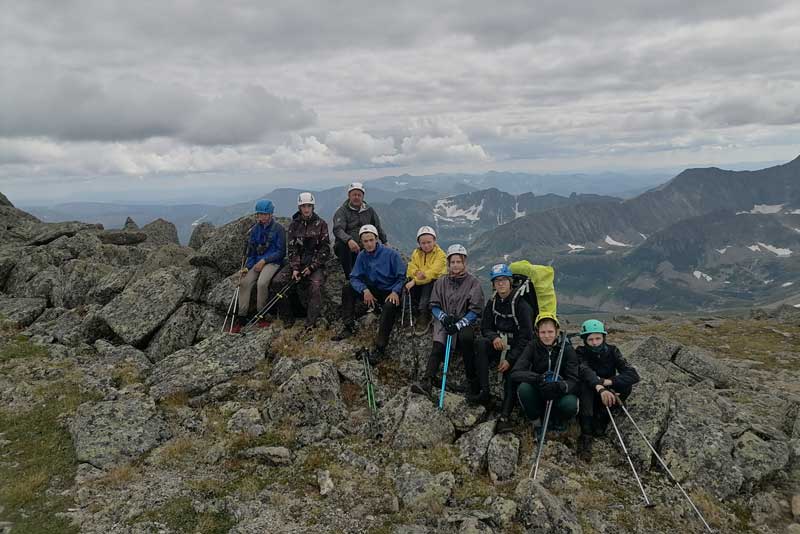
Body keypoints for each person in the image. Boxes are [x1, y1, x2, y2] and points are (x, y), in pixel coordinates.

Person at [411, 244, 484, 399]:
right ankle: (427, 380)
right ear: (448, 264)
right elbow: (434, 305)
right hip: (444, 319)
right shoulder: (441, 282)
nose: (456, 265)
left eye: (459, 262)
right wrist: (443, 318)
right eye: (453, 262)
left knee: (466, 339)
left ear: (464, 263)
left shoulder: (473, 282)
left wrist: (459, 324)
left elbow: (475, 310)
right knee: (438, 346)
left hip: (463, 320)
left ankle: (472, 380)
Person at [332, 224, 406, 365]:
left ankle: (380, 347)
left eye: (371, 240)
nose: (369, 244)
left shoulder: (391, 255)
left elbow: (402, 277)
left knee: (389, 307)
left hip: (390, 290)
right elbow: (354, 277)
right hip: (373, 290)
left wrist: (396, 292)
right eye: (365, 241)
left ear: (377, 239)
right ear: (361, 242)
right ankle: (349, 326)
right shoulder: (362, 256)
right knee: (348, 288)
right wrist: (364, 290)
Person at [476, 264, 534, 426]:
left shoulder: (522, 305)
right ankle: (484, 391)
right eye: (497, 281)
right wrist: (493, 337)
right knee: (480, 344)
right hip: (499, 343)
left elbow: (527, 337)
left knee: (512, 374)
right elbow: (485, 327)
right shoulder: (493, 302)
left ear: (510, 282)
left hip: (518, 347)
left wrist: (510, 359)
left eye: (504, 280)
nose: (500, 284)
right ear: (493, 284)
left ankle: (505, 415)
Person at [576, 319, 640, 461]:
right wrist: (599, 386)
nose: (594, 342)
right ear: (584, 340)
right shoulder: (580, 352)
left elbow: (633, 374)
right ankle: (586, 433)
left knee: (626, 385)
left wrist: (609, 382)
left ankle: (602, 418)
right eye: (590, 339)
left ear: (603, 338)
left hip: (608, 388)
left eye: (598, 338)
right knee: (585, 385)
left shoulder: (613, 351)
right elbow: (584, 371)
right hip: (591, 392)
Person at [509, 312, 579, 436]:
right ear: (537, 333)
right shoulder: (532, 346)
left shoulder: (567, 349)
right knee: (524, 389)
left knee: (570, 404)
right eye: (543, 332)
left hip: (559, 392)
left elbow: (573, 379)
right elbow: (516, 373)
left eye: (550, 332)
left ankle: (558, 420)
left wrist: (560, 386)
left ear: (557, 331)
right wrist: (538, 379)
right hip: (540, 390)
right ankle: (537, 424)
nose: (547, 336)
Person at [271, 192, 331, 330]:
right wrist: (295, 268)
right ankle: (287, 319)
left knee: (315, 286)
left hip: (315, 265)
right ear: (299, 207)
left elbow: (325, 249)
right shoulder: (294, 225)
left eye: (309, 205)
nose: (306, 209)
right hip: (298, 264)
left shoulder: (321, 224)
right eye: (304, 206)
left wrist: (312, 267)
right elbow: (292, 249)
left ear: (313, 207)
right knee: (278, 282)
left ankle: (310, 323)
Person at [231, 199, 286, 333]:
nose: (261, 217)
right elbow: (252, 252)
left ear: (270, 214)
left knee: (262, 283)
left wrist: (264, 261)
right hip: (257, 262)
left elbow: (281, 252)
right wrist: (247, 267)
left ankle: (261, 316)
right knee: (244, 282)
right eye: (259, 214)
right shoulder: (255, 230)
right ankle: (242, 317)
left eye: (264, 214)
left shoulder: (279, 229)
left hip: (272, 262)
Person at [332, 182, 387, 278]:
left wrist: (385, 241)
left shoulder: (369, 210)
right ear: (349, 195)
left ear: (363, 196)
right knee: (341, 245)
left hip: (364, 245)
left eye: (359, 195)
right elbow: (338, 229)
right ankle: (350, 277)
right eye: (354, 195)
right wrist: (348, 240)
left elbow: (377, 227)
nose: (356, 197)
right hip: (347, 248)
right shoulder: (342, 211)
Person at [404, 225, 447, 333]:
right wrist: (416, 273)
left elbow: (432, 273)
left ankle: (425, 314)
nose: (426, 245)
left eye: (429, 242)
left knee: (427, 289)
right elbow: (411, 267)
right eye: (423, 243)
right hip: (420, 281)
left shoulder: (440, 255)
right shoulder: (416, 253)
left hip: (434, 283)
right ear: (419, 243)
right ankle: (411, 312)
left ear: (434, 241)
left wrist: (415, 280)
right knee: (406, 286)